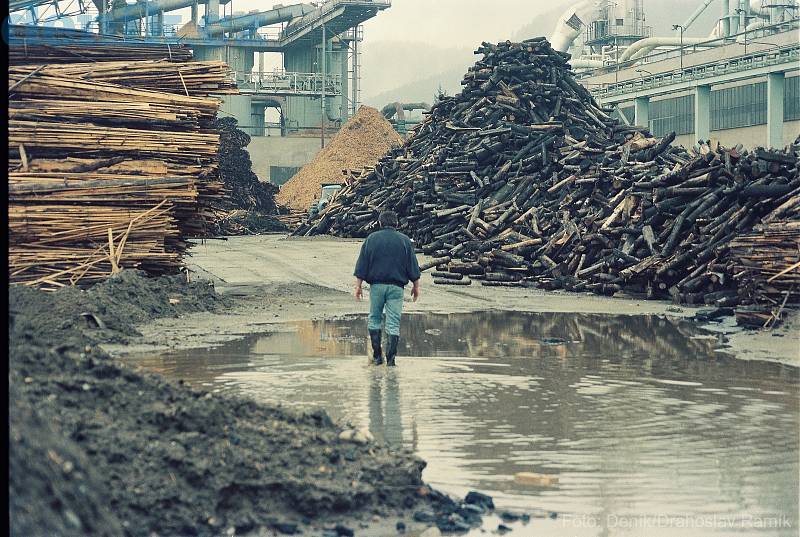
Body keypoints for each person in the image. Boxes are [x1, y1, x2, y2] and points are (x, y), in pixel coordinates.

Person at [353, 210, 421, 366]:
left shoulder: (371, 239)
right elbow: (413, 265)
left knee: (374, 318)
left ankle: (377, 357)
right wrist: (416, 286)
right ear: (396, 224)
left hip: (376, 287)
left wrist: (358, 286)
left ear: (380, 223)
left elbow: (362, 264)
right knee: (393, 322)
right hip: (397, 288)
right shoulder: (404, 241)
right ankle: (391, 361)